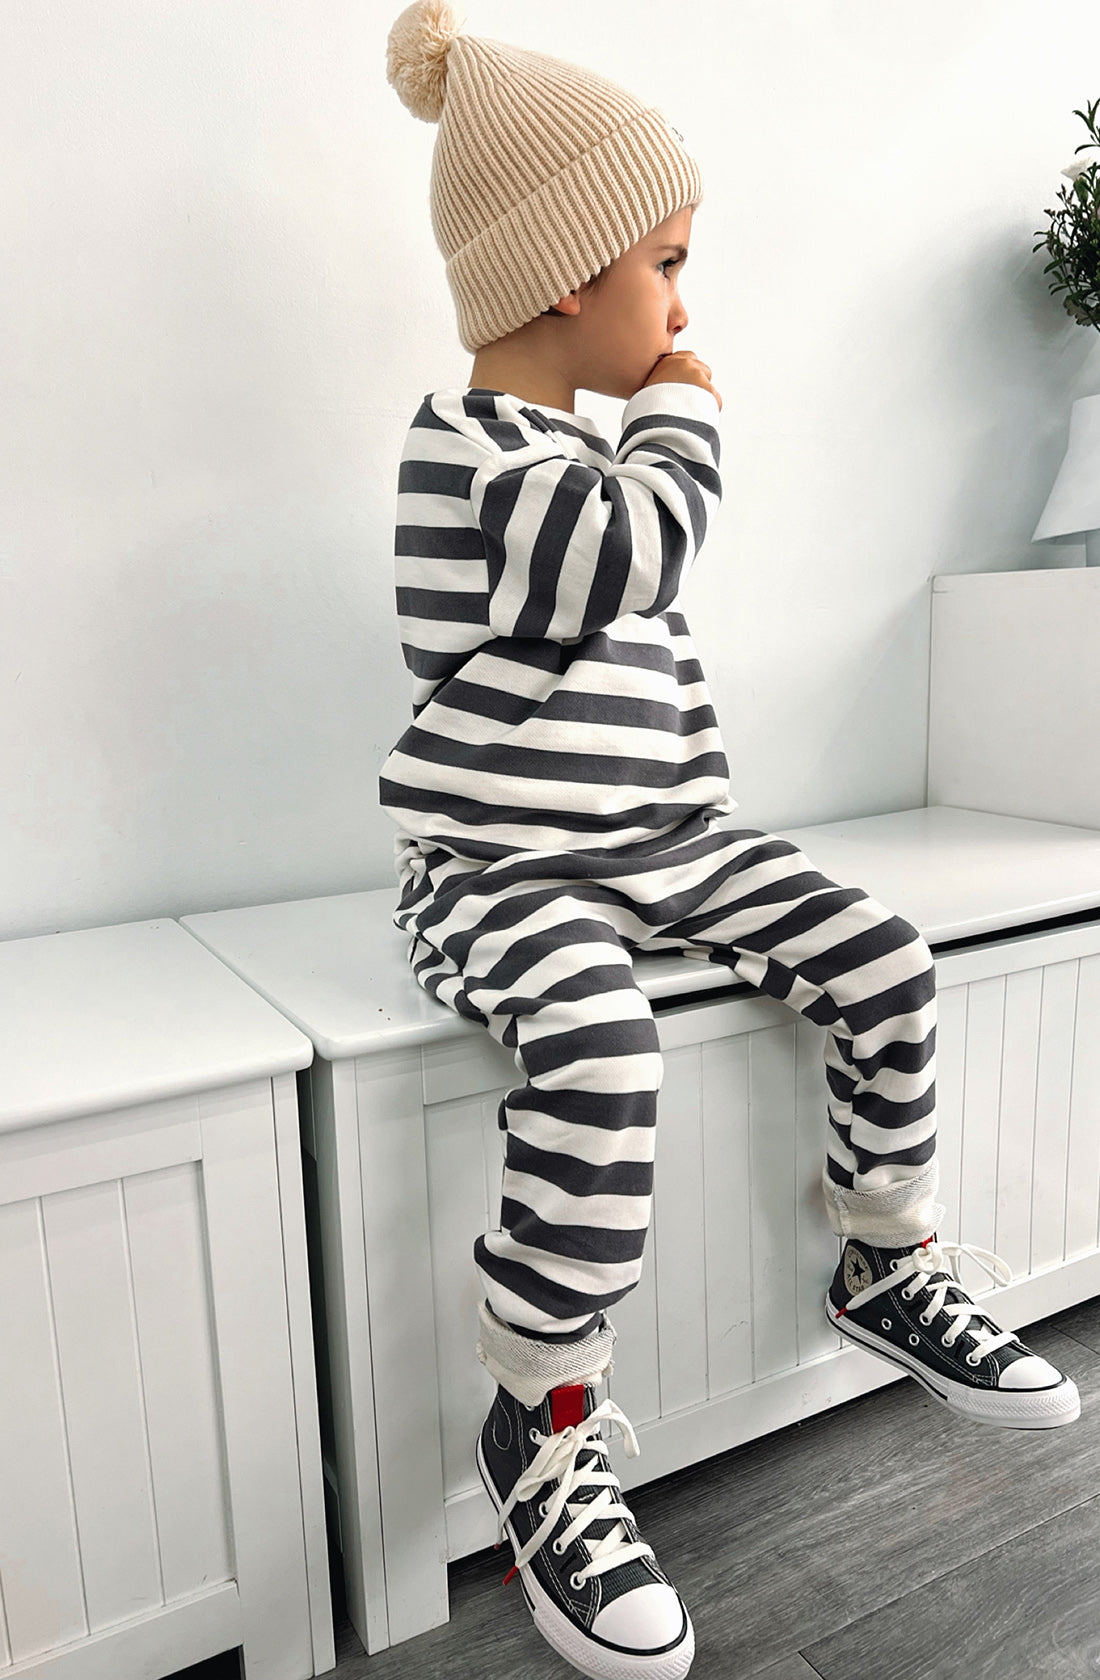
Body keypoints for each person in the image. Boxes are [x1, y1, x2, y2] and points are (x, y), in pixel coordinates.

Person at [380, 5, 1081, 1676]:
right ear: (568, 274)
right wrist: (686, 410)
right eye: (668, 268)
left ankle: (886, 1261)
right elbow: (624, 556)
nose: (687, 312)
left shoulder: (576, 452)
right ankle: (541, 1420)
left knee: (888, 955)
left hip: (672, 840)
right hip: (500, 865)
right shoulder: (469, 453)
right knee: (606, 1056)